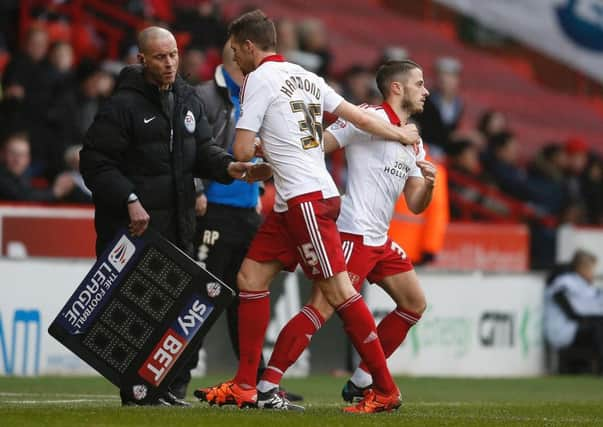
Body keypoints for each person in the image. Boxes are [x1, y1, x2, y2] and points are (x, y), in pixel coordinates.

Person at [195, 10, 420, 414]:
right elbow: (354, 114)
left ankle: (384, 389)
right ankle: (248, 385)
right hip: (296, 197)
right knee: (249, 277)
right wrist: (400, 132)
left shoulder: (257, 80)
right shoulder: (306, 77)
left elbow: (242, 149)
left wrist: (255, 155)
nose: (234, 59)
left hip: (306, 200)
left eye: (235, 50)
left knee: (337, 293)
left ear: (248, 46)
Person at [79, 26, 258, 406]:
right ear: (142, 59)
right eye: (161, 57)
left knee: (173, 310)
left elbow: (203, 150)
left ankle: (160, 386)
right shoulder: (121, 106)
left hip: (179, 224)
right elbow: (94, 163)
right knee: (136, 311)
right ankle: (137, 391)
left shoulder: (187, 99)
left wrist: (228, 167)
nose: (170, 63)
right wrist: (128, 198)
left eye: (174, 54)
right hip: (133, 227)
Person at [253, 60, 434, 405]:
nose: (425, 91)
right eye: (419, 83)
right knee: (320, 308)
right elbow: (320, 144)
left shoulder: (414, 142)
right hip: (353, 232)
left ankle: (363, 380)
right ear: (397, 88)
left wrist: (429, 185)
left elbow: (415, 203)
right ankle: (268, 384)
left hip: (380, 239)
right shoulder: (368, 118)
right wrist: (279, 145)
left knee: (413, 304)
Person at [544, 250, 603, 374]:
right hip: (562, 331)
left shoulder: (583, 285)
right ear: (581, 268)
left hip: (574, 329)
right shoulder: (566, 282)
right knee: (599, 326)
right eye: (591, 269)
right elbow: (572, 311)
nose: (593, 274)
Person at [0, 133, 74, 202]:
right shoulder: (3, 179)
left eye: (23, 155)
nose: (17, 160)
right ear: (2, 155)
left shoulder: (26, 177)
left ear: (28, 158)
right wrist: (55, 192)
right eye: (13, 154)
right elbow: (22, 196)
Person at [415, 56, 463, 149]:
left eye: (450, 75)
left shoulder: (458, 104)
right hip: (426, 147)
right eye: (441, 75)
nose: (444, 79)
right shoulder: (425, 99)